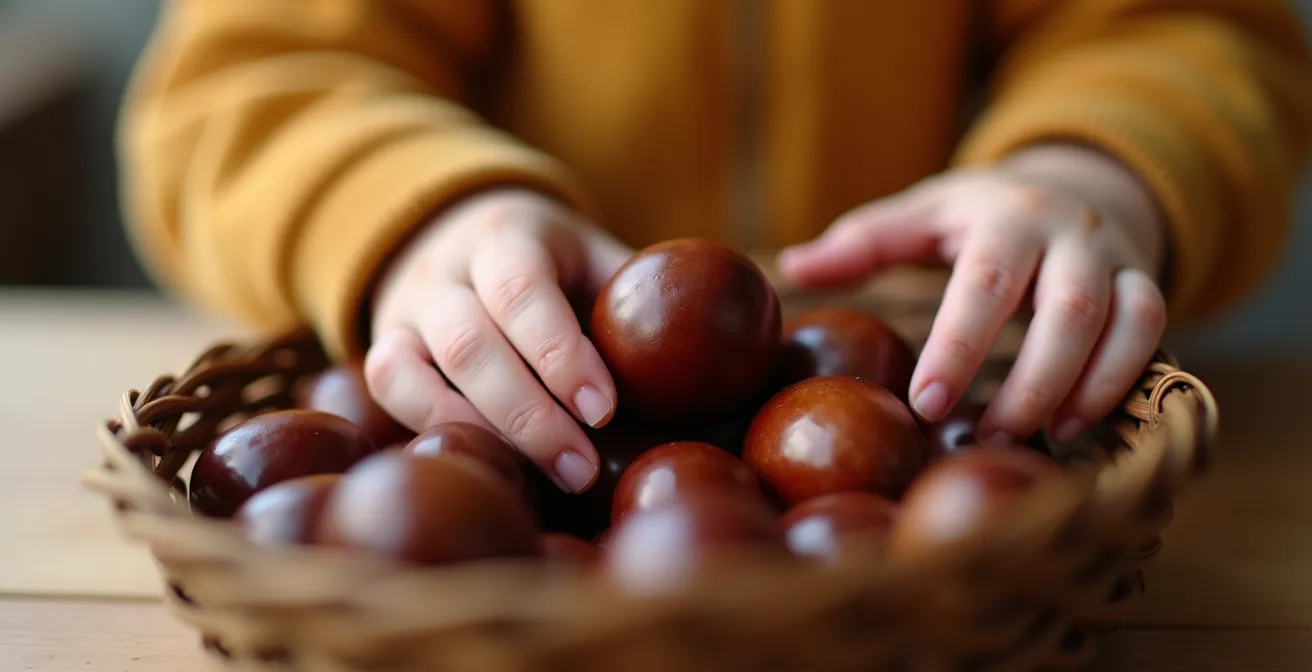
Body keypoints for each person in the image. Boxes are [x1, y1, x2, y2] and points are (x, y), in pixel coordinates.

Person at [117, 1, 1312, 494]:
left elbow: (1184, 30)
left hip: (922, 370)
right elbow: (245, 78)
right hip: (522, 390)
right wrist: (413, 215)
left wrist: (1087, 167)